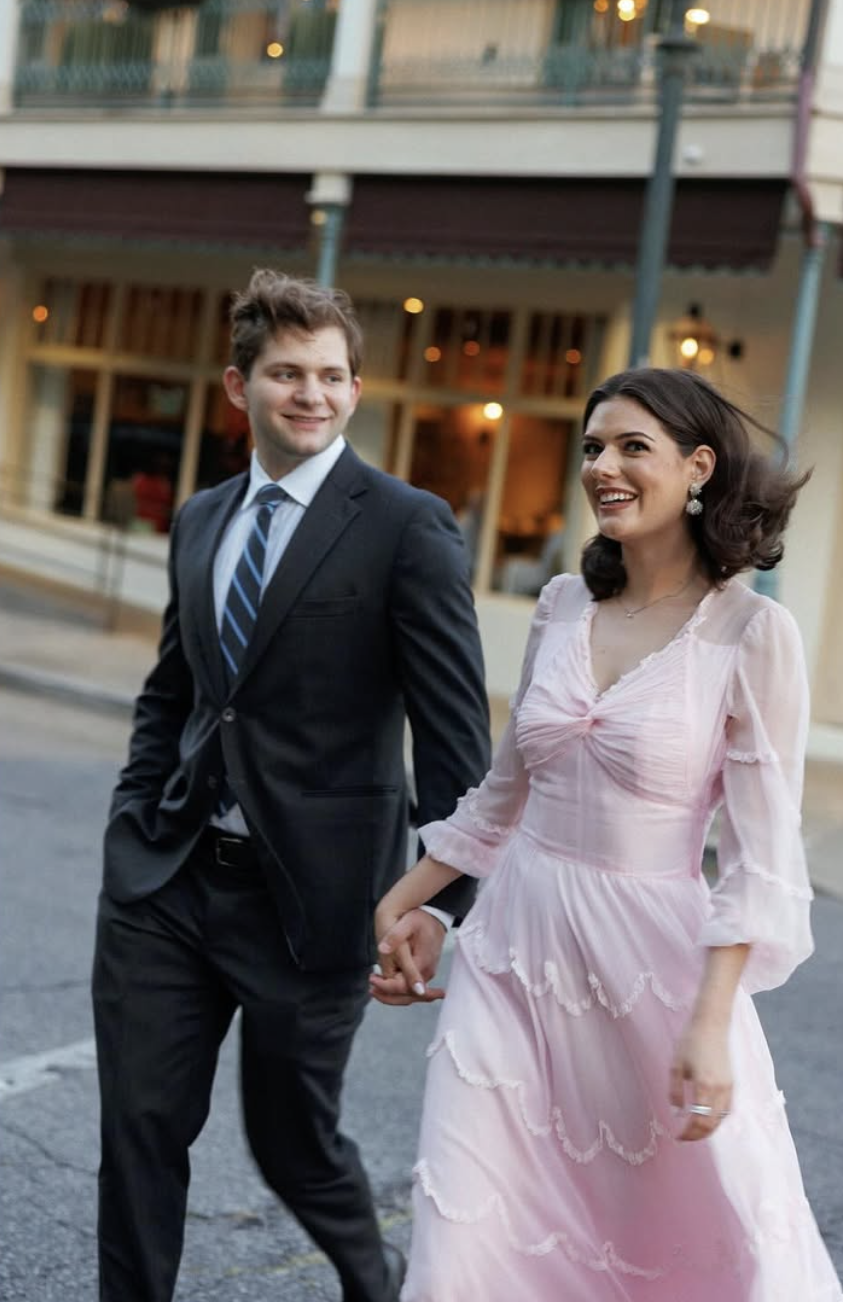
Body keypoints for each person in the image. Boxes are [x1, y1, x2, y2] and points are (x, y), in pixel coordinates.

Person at [371, 367, 843, 1300]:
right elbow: (503, 794)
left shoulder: (752, 634)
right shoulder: (560, 605)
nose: (605, 467)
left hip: (654, 976)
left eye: (634, 447)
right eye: (594, 448)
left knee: (678, 1241)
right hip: (511, 955)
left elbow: (759, 859)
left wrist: (711, 1023)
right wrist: (405, 896)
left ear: (698, 467)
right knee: (472, 1232)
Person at [91, 268, 491, 1302]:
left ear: (356, 390)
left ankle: (376, 1281)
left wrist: (440, 907)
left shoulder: (409, 528)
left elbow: (455, 744)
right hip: (168, 880)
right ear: (239, 386)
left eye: (329, 374)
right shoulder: (200, 520)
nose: (309, 393)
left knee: (292, 1141)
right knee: (138, 1129)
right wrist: (135, 815)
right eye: (285, 373)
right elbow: (174, 692)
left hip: (315, 902)